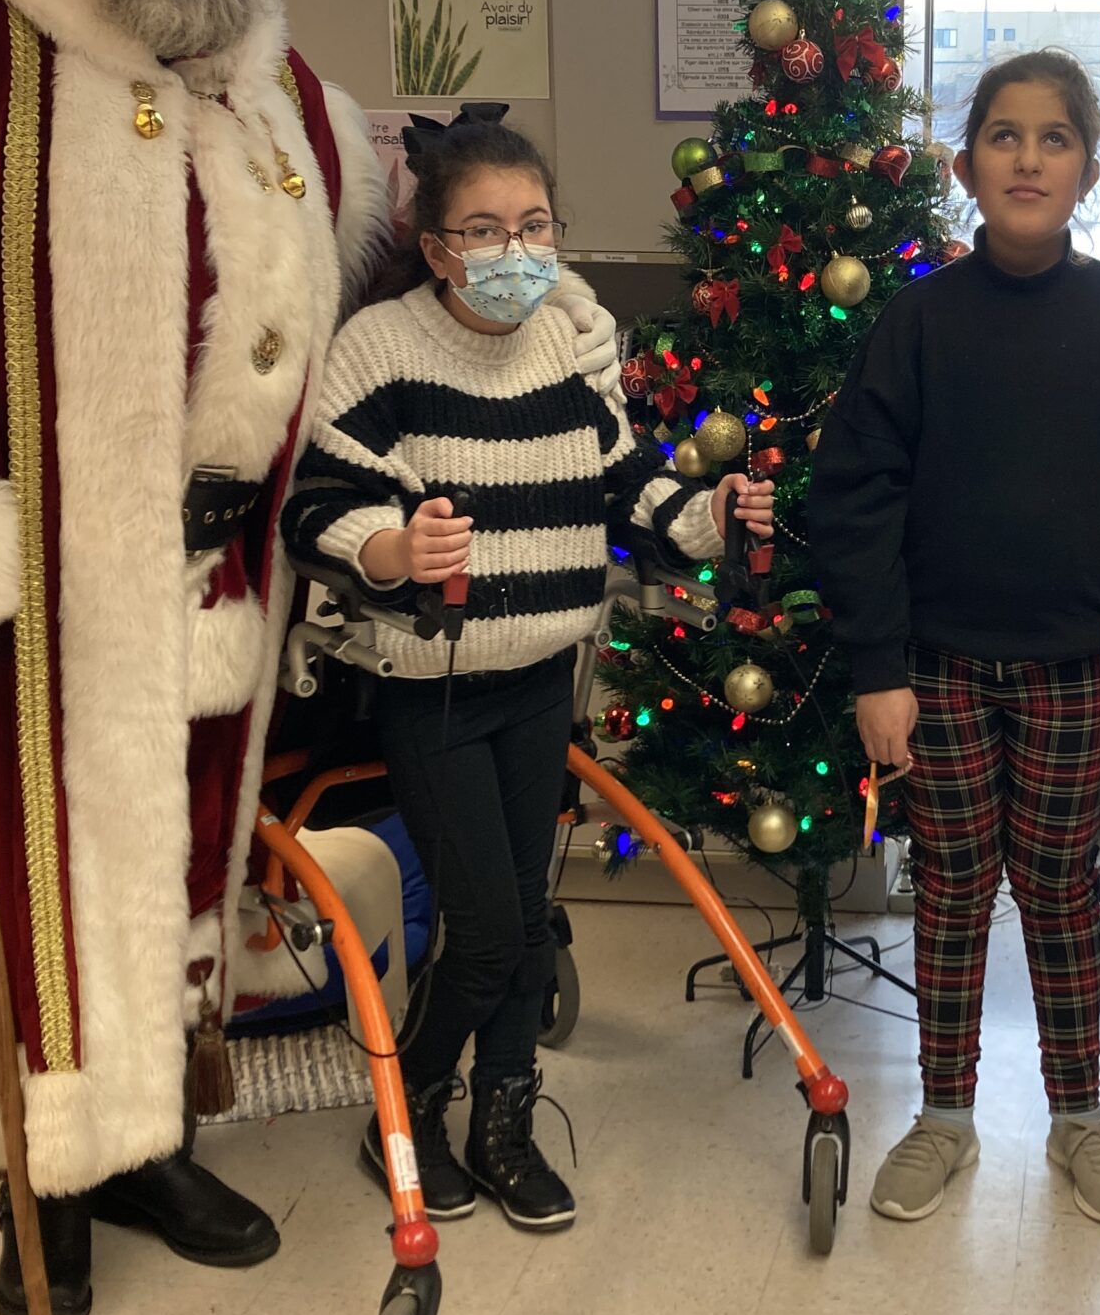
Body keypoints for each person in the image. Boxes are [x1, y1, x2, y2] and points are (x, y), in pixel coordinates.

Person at [0, 0, 618, 1315]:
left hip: (228, 575)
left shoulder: (276, 84)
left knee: (184, 864)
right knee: (50, 871)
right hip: (41, 582)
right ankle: (44, 1190)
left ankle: (148, 1143)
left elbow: (370, 308)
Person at [282, 117, 773, 1228]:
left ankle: (502, 1123)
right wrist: (392, 548)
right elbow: (315, 508)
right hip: (435, 689)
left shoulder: (570, 343)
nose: (517, 250)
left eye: (536, 225)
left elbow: (626, 487)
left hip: (542, 678)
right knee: (487, 933)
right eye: (486, 229)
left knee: (525, 919)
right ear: (436, 245)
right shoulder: (380, 350)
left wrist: (707, 514)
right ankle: (406, 1109)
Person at [808, 49, 1100, 1227]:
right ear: (967, 165)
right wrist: (879, 667)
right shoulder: (919, 321)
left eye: (1055, 138)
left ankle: (1079, 1114)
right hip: (939, 670)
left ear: (1087, 167)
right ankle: (944, 1114)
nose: (1029, 158)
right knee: (955, 890)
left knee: (1062, 892)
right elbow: (856, 497)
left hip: (1078, 666)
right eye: (1005, 137)